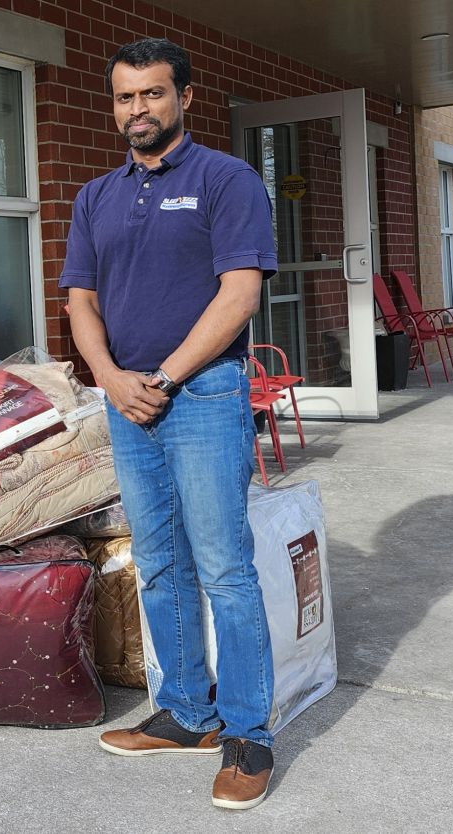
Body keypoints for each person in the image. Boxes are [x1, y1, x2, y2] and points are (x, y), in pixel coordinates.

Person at [60, 39, 279, 810]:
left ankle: (249, 733)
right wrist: (112, 380)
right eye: (125, 97)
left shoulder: (226, 178)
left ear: (184, 97)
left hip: (205, 395)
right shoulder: (96, 197)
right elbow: (81, 302)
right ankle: (188, 714)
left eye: (153, 93)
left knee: (224, 568)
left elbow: (239, 294)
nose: (138, 109)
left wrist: (163, 377)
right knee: (158, 562)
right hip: (128, 402)